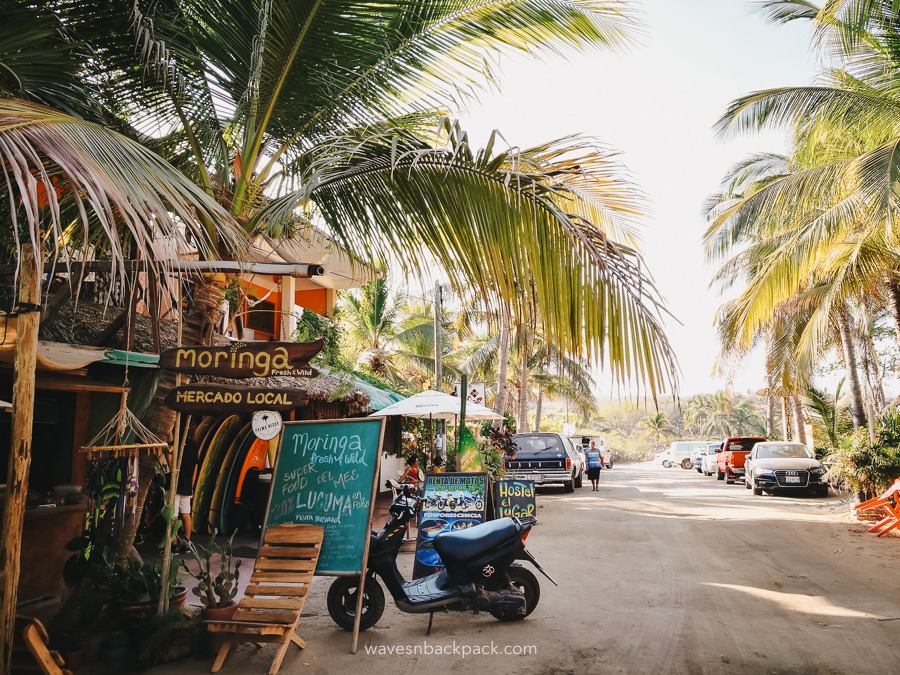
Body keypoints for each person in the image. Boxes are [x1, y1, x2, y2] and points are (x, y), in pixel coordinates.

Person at [174, 422, 199, 553]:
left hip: (175, 484)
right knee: (185, 514)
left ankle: (173, 545)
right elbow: (196, 467)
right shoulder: (194, 445)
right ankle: (186, 544)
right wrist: (192, 485)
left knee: (173, 516)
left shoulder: (175, 444)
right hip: (187, 485)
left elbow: (169, 459)